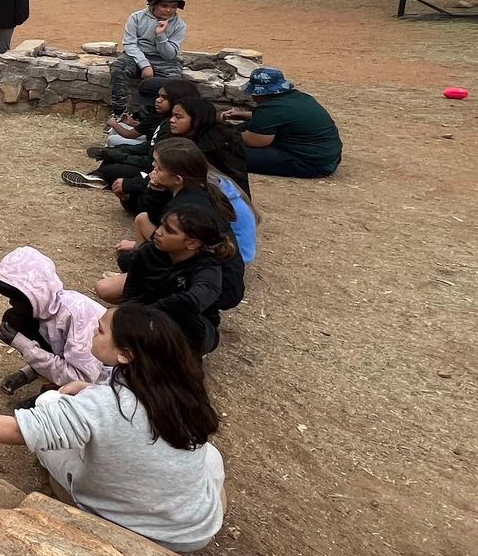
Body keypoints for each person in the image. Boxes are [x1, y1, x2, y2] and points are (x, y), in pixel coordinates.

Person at [0, 303, 224, 552]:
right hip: (197, 528)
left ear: (124, 354)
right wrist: (90, 391)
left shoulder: (106, 406)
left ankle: (72, 496)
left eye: (101, 331)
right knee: (210, 457)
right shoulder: (183, 387)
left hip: (132, 526)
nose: (94, 330)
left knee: (49, 406)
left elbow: (17, 431)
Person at [96, 205, 242, 355]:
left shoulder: (207, 267)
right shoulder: (146, 253)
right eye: (161, 225)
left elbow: (194, 301)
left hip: (190, 325)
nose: (158, 232)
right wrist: (129, 320)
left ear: (192, 243)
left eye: (169, 231)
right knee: (110, 323)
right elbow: (132, 295)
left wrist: (151, 313)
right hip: (148, 314)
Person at [0, 247, 111, 395]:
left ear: (36, 293)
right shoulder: (48, 309)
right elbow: (59, 351)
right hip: (89, 374)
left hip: (110, 379)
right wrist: (26, 374)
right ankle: (54, 386)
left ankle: (58, 393)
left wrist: (24, 346)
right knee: (14, 319)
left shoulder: (75, 316)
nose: (11, 302)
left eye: (16, 298)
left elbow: (83, 379)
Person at [116, 138, 254, 260]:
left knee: (107, 287)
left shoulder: (190, 202)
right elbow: (156, 218)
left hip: (226, 256)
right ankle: (140, 258)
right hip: (224, 252)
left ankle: (141, 262)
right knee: (143, 219)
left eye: (159, 166)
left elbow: (177, 235)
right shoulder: (198, 183)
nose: (153, 168)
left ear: (178, 178)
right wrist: (155, 190)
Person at [223, 67, 342, 179]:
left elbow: (256, 141)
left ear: (259, 94)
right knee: (243, 129)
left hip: (311, 164)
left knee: (227, 152)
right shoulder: (299, 98)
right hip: (328, 157)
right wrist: (242, 115)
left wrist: (224, 136)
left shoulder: (271, 109)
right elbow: (274, 119)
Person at [109, 0, 187, 114]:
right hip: (136, 56)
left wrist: (160, 35)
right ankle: (120, 112)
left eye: (173, 6)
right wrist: (144, 65)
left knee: (174, 85)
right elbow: (129, 44)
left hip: (165, 60)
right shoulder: (136, 18)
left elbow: (170, 55)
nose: (169, 10)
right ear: (154, 5)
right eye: (164, 6)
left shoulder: (179, 25)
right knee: (118, 69)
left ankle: (150, 118)